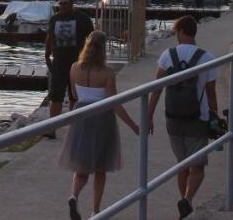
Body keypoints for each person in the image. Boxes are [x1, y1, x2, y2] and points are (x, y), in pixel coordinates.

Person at [58, 31, 139, 220]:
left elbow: (75, 96)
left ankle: (73, 196)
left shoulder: (74, 68)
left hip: (81, 116)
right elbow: (114, 103)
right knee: (101, 169)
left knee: (82, 167)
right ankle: (95, 210)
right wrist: (133, 125)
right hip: (102, 119)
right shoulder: (107, 73)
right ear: (104, 49)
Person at [146, 15, 218, 220]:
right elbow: (211, 93)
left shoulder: (167, 56)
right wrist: (215, 118)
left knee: (182, 163)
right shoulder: (207, 58)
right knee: (199, 165)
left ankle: (184, 203)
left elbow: (156, 89)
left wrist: (149, 116)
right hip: (198, 118)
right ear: (194, 32)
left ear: (180, 32)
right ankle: (187, 200)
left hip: (173, 118)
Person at [44, 0, 93, 134]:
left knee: (74, 96)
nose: (63, 6)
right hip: (59, 63)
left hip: (77, 63)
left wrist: (90, 59)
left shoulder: (82, 18)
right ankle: (52, 128)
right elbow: (49, 37)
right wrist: (47, 56)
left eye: (65, 4)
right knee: (56, 96)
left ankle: (74, 128)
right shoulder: (54, 19)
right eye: (61, 4)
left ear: (72, 4)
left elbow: (91, 39)